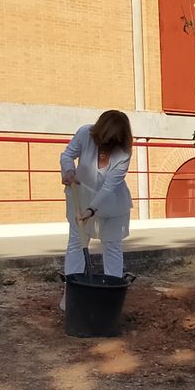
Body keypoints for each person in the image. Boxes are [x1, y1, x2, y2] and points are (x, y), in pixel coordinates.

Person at [60, 110, 133, 280]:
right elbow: (67, 155)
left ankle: (112, 289)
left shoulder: (124, 153)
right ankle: (73, 289)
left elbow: (109, 187)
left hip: (112, 203)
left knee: (112, 245)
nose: (108, 143)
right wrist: (69, 170)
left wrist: (91, 210)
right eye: (107, 138)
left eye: (114, 140)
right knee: (77, 243)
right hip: (80, 196)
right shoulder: (85, 133)